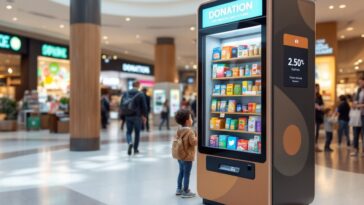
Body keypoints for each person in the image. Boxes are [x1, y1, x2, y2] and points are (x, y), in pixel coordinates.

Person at [172, 109, 197, 198]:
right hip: (187, 156)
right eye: (191, 118)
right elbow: (193, 142)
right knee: (187, 174)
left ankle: (179, 189)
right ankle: (186, 191)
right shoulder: (190, 131)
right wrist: (197, 137)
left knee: (181, 172)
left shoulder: (179, 129)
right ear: (187, 121)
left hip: (180, 155)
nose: (192, 119)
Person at [120, 81, 147, 155]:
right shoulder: (140, 94)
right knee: (137, 133)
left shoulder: (126, 93)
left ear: (132, 85)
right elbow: (144, 106)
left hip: (128, 116)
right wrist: (144, 116)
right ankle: (135, 149)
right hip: (137, 116)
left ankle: (129, 142)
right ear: (138, 85)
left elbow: (121, 104)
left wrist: (122, 115)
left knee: (128, 132)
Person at [351, 76, 364, 157]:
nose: (359, 83)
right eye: (359, 82)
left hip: (363, 115)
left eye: (361, 82)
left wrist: (359, 105)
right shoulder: (358, 90)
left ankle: (363, 151)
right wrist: (354, 104)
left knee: (363, 134)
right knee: (355, 133)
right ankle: (355, 150)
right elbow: (355, 101)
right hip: (357, 115)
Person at [315, 84, 324, 152]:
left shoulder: (319, 96)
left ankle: (316, 146)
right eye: (315, 88)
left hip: (317, 116)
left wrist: (320, 107)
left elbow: (322, 105)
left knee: (316, 131)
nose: (316, 89)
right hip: (311, 115)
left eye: (317, 88)